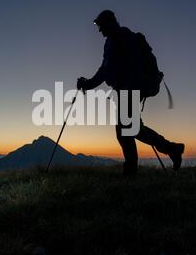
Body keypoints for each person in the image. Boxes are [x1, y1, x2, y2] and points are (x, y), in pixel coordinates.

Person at [77, 10, 185, 175]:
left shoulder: (124, 37)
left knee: (127, 130)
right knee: (129, 130)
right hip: (125, 90)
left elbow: (134, 66)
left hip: (130, 89)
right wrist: (88, 84)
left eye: (100, 25)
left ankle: (135, 169)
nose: (99, 30)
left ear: (110, 22)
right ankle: (170, 150)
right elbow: (104, 69)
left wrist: (128, 89)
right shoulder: (111, 42)